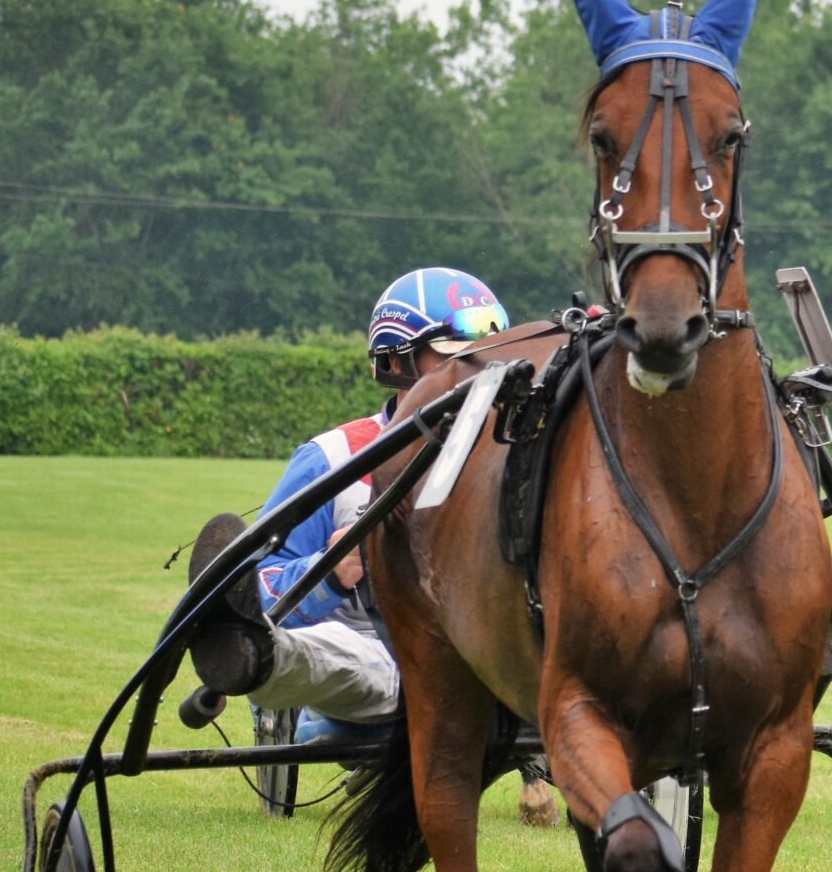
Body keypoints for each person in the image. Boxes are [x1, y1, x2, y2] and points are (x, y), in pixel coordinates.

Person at [182, 266, 555, 825]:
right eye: (456, 355)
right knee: (342, 659)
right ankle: (253, 659)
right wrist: (330, 571)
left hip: (500, 661)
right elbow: (262, 581)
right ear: (397, 363)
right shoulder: (330, 460)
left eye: (487, 354)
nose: (478, 371)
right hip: (377, 662)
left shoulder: (527, 456)